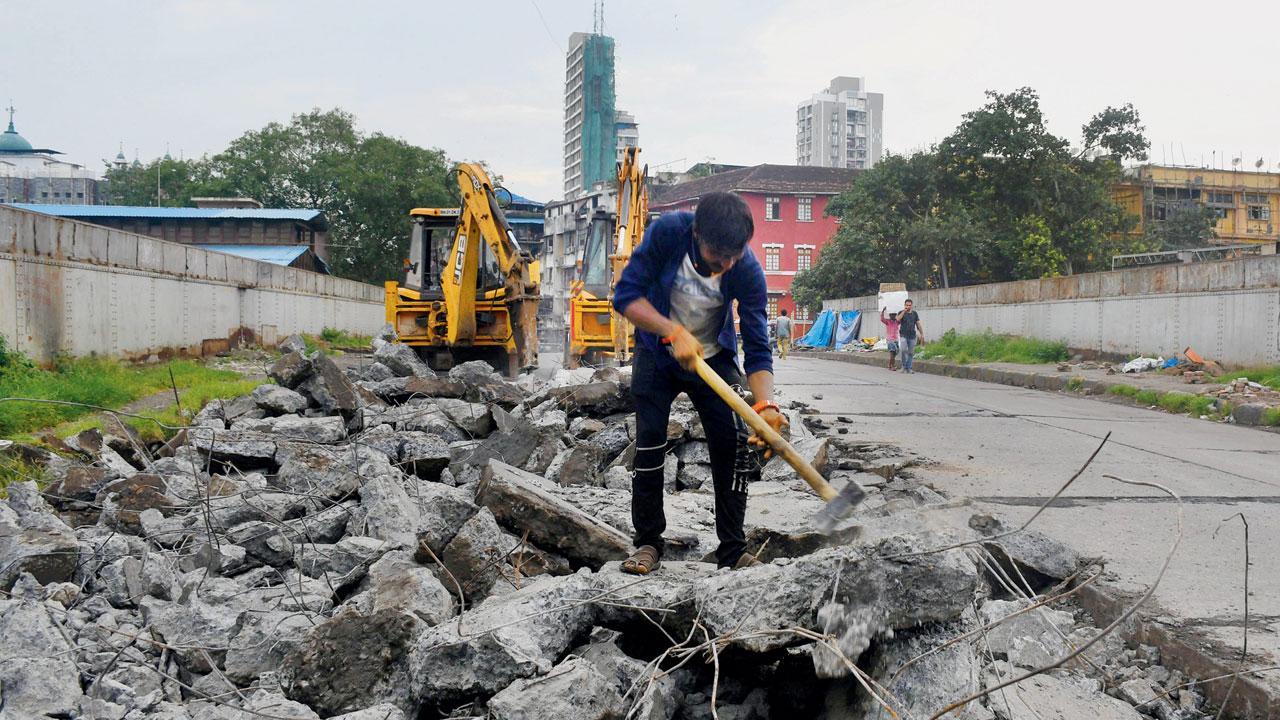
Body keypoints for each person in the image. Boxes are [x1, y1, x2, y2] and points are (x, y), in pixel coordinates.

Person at [611, 191, 786, 574]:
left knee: (734, 445)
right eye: (716, 257)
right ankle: (647, 543)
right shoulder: (668, 233)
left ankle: (732, 550)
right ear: (696, 235)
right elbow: (625, 296)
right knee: (651, 444)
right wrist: (672, 330)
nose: (725, 265)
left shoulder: (747, 269)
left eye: (733, 257)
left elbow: (757, 346)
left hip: (714, 358)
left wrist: (766, 407)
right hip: (658, 355)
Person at [897, 298, 925, 373]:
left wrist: (922, 334)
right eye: (906, 305)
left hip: (912, 336)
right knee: (903, 350)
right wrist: (904, 311)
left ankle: (909, 368)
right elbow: (898, 319)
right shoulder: (901, 312)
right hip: (903, 335)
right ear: (904, 305)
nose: (908, 306)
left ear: (911, 306)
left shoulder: (914, 313)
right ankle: (903, 366)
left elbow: (918, 324)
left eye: (909, 305)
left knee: (911, 352)